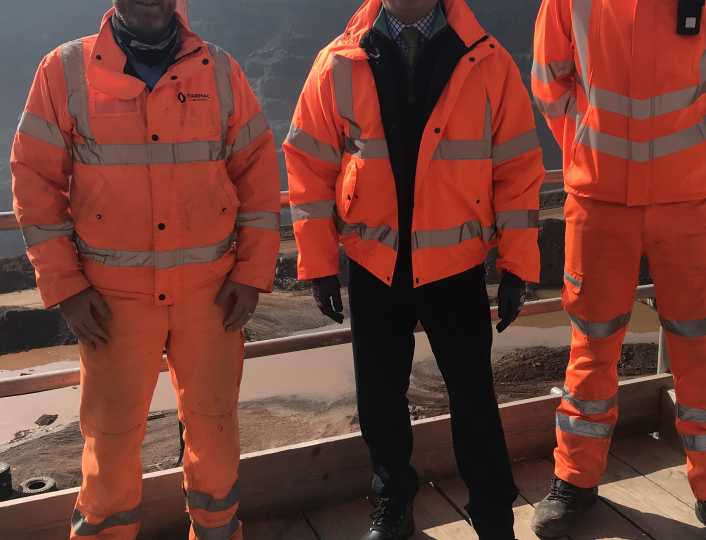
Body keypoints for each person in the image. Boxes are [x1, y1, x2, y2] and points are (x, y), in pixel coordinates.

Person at [10, 0, 282, 538]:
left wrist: (252, 273)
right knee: (109, 449)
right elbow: (34, 183)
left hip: (211, 298)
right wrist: (65, 286)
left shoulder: (220, 71)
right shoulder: (64, 70)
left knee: (216, 436)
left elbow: (256, 171)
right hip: (112, 303)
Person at [284, 0, 545, 538]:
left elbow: (517, 168)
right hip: (373, 264)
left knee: (474, 398)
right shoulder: (337, 60)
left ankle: (494, 516)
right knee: (379, 399)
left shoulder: (488, 61)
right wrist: (319, 264)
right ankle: (394, 503)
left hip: (456, 266)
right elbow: (309, 165)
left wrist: (519, 265)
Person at [530, 0, 706, 538]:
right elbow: (548, 78)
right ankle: (574, 482)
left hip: (689, 204)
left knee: (700, 353)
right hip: (598, 200)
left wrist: (700, 154)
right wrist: (588, 152)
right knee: (591, 348)